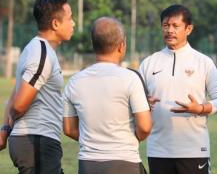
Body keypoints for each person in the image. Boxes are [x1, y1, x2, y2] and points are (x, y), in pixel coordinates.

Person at [139, 4, 217, 174]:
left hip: (194, 150)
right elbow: (136, 102)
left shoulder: (204, 63)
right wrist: (143, 102)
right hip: (158, 150)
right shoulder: (149, 63)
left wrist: (201, 108)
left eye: (175, 26)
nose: (169, 30)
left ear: (188, 29)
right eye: (165, 26)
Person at [63, 17, 152, 174]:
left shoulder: (74, 82)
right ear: (122, 46)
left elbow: (69, 129)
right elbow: (144, 127)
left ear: (94, 45)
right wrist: (128, 140)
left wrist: (93, 142)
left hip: (88, 164)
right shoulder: (130, 78)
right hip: (125, 162)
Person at [0, 0, 75, 173]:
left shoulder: (37, 49)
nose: (73, 23)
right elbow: (18, 104)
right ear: (55, 24)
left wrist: (5, 130)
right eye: (70, 18)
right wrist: (10, 125)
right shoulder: (42, 53)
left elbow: (14, 95)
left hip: (37, 141)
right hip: (36, 141)